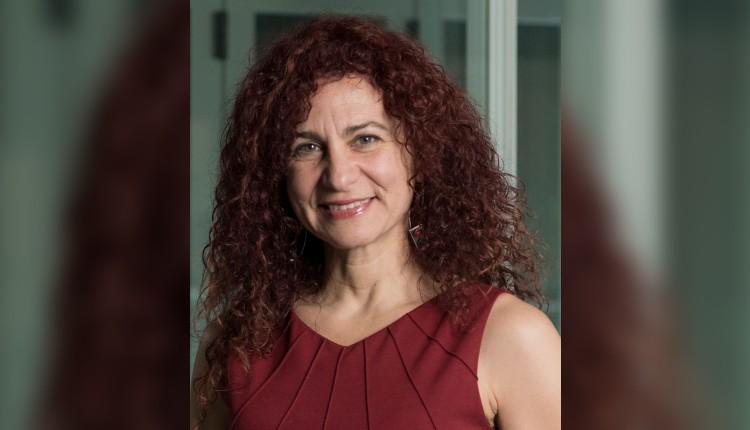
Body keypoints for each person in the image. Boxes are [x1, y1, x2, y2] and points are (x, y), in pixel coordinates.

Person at [191, 16, 560, 430]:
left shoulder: (510, 336)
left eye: (365, 139)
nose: (339, 176)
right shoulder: (235, 341)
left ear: (421, 155)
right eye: (307, 147)